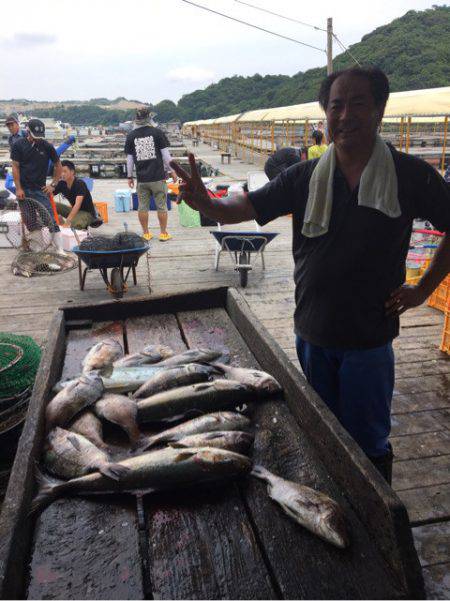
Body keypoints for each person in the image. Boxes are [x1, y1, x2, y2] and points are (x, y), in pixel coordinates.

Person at [171, 67, 450, 484]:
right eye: (336, 105)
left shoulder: (410, 174)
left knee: (370, 442)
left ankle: (377, 523)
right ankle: (334, 499)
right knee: (322, 433)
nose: (346, 114)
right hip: (313, 332)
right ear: (326, 114)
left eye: (358, 103)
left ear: (379, 109)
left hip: (370, 339)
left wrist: (423, 288)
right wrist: (204, 202)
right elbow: (244, 208)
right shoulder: (303, 176)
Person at [124, 107, 177, 241]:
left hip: (142, 179)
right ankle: (163, 233)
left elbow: (129, 160)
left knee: (142, 207)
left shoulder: (131, 136)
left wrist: (129, 176)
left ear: (136, 119)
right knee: (162, 206)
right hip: (158, 177)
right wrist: (173, 171)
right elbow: (166, 156)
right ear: (149, 118)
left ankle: (146, 233)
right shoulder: (157, 133)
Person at [11, 118, 62, 232]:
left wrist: (53, 184)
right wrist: (18, 188)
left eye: (40, 136)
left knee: (50, 220)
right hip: (23, 190)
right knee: (30, 222)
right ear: (28, 132)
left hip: (41, 190)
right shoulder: (18, 145)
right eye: (35, 136)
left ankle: (58, 248)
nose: (38, 139)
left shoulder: (47, 146)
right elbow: (15, 167)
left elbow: (58, 165)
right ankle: (37, 247)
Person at [51, 160, 97, 229]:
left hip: (87, 213)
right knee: (52, 205)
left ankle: (71, 228)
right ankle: (61, 223)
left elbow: (77, 205)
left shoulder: (80, 184)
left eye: (65, 171)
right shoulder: (61, 183)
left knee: (74, 226)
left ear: (72, 172)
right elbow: (49, 195)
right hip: (74, 211)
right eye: (61, 172)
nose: (62, 174)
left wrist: (68, 222)